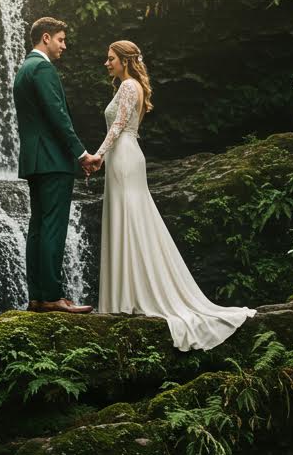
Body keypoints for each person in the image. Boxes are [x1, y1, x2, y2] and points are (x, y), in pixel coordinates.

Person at [85, 40, 256, 351]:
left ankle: (128, 297)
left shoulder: (126, 87)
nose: (105, 63)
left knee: (128, 219)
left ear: (124, 60)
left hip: (122, 157)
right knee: (133, 219)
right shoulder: (134, 85)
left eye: (110, 59)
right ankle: (129, 293)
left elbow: (119, 125)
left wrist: (97, 156)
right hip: (128, 156)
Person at [13, 17, 99, 314]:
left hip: (34, 160)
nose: (65, 45)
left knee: (37, 227)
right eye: (61, 39)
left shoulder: (24, 69)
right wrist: (81, 154)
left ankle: (37, 296)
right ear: (46, 38)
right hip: (53, 160)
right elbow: (57, 115)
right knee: (53, 227)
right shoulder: (43, 68)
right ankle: (52, 296)